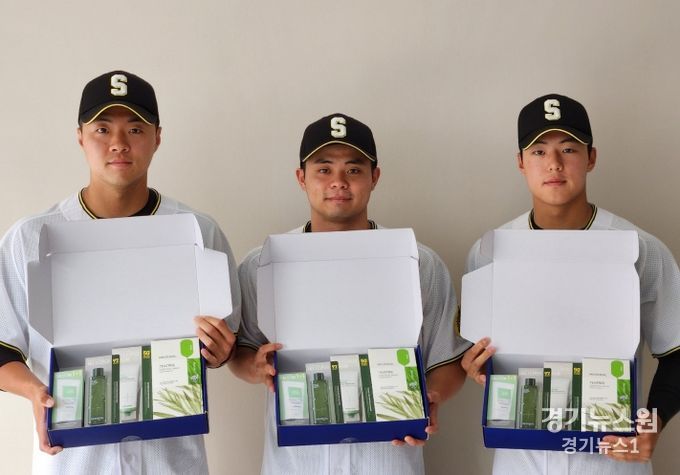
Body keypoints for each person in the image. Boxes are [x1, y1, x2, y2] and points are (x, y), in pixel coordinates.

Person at [0, 70, 241, 474]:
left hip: (171, 460)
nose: (118, 143)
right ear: (80, 136)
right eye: (102, 128)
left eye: (135, 128)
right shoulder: (29, 237)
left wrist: (220, 351)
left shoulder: (200, 232)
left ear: (157, 137)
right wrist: (35, 392)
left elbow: (226, 341)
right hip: (73, 462)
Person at [228, 112, 470, 475]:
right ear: (301, 177)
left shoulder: (419, 262)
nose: (338, 182)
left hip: (388, 460)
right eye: (324, 169)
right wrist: (255, 367)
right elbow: (241, 350)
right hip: (295, 464)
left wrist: (432, 395)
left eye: (353, 169)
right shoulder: (261, 263)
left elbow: (447, 359)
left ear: (375, 177)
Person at [461, 93, 680, 475]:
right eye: (539, 151)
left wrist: (652, 424)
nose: (554, 163)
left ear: (591, 157)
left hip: (611, 459)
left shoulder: (640, 248)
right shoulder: (489, 252)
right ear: (520, 162)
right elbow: (476, 351)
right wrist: (474, 364)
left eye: (568, 148)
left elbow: (676, 352)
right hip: (520, 457)